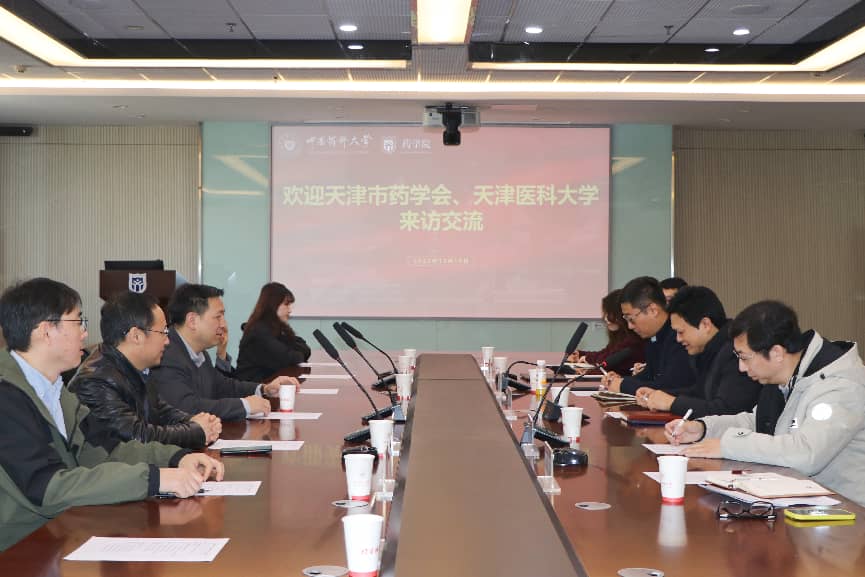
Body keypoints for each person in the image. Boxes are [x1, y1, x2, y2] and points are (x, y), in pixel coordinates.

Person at [0, 278, 223, 551]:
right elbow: (49, 488)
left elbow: (105, 449)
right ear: (46, 331)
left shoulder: (54, 390)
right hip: (20, 550)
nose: (85, 333)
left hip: (59, 534)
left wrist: (177, 458)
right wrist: (154, 479)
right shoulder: (7, 397)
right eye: (78, 322)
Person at [666, 300, 865, 506]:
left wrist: (728, 445)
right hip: (803, 500)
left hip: (848, 512)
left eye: (745, 357)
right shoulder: (787, 376)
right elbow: (759, 422)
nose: (741, 368)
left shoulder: (840, 387)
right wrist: (704, 429)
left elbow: (806, 453)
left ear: (776, 353)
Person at [69, 291, 221, 449]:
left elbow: (160, 411)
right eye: (163, 332)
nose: (167, 341)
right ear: (136, 336)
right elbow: (135, 436)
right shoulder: (96, 381)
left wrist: (194, 421)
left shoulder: (136, 367)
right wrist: (195, 432)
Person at [151, 283, 299, 421]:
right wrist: (244, 405)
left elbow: (222, 386)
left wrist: (264, 389)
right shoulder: (166, 354)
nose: (223, 324)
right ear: (192, 321)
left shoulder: (199, 352)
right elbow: (186, 407)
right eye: (218, 317)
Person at [635, 286, 761, 418]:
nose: (678, 339)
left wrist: (672, 403)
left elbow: (727, 410)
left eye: (681, 332)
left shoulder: (734, 352)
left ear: (705, 324)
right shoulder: (709, 350)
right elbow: (700, 393)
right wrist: (658, 395)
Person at [600, 276, 695, 395]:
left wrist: (623, 385)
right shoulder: (654, 338)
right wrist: (620, 380)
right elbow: (649, 375)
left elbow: (669, 386)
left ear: (653, 310)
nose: (630, 326)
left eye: (631, 319)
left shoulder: (680, 337)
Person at [236, 282, 311, 382]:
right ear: (273, 304)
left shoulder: (275, 328)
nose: (290, 310)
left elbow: (305, 348)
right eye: (286, 304)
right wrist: (297, 352)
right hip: (252, 388)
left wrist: (297, 351)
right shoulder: (259, 331)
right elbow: (291, 359)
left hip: (268, 383)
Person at [568, 289, 644, 374]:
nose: (605, 318)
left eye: (609, 313)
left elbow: (607, 361)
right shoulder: (620, 336)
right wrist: (580, 354)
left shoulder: (633, 340)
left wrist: (587, 358)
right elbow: (605, 352)